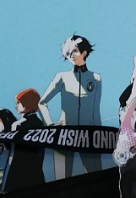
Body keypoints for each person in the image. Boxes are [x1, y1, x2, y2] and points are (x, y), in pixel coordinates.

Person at [38, 35, 102, 178]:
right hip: (64, 135)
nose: (71, 55)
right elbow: (42, 103)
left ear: (84, 53)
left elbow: (95, 110)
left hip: (89, 136)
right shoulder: (62, 77)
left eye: (74, 51)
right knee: (62, 180)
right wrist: (50, 126)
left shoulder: (96, 78)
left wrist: (100, 135)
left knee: (95, 177)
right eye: (68, 53)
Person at [5, 88, 45, 191]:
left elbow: (11, 148)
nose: (16, 106)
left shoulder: (18, 125)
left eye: (18, 103)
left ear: (26, 103)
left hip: (19, 169)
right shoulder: (40, 123)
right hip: (36, 169)